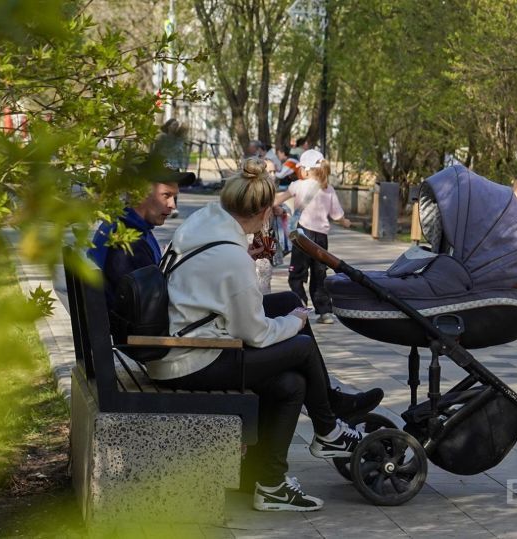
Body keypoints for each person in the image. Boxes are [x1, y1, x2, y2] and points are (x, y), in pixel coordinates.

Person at [154, 157, 381, 512]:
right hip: (191, 359)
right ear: (263, 213)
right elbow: (256, 334)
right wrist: (295, 322)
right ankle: (328, 429)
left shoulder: (204, 224)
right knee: (302, 347)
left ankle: (271, 483)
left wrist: (290, 312)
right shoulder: (231, 257)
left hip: (183, 345)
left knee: (291, 382)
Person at [87, 158, 196, 300]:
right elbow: (152, 304)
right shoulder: (127, 242)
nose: (172, 205)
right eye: (166, 195)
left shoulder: (123, 226)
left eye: (174, 197)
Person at [274, 150, 351, 324]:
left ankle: (300, 305)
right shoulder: (328, 189)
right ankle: (324, 312)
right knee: (319, 274)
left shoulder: (297, 185)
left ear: (306, 170)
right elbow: (337, 216)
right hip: (321, 238)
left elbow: (277, 201)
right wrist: (346, 222)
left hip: (303, 236)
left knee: (297, 274)